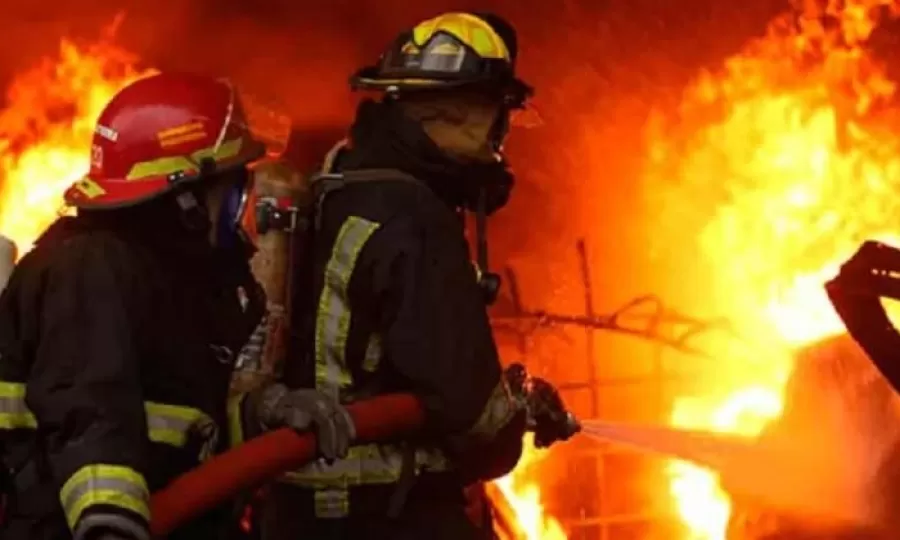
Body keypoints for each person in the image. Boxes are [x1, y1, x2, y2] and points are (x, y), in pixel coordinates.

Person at [244, 11, 578, 540]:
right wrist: (514, 417)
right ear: (463, 110)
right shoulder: (414, 219)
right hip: (389, 516)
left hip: (296, 514)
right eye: (499, 113)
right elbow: (475, 423)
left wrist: (518, 399)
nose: (501, 135)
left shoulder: (340, 181)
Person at [0, 72, 351, 540]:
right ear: (183, 196)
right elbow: (88, 412)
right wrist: (110, 525)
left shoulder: (161, 273)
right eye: (231, 188)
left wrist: (260, 414)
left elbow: (172, 424)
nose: (243, 204)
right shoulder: (90, 267)